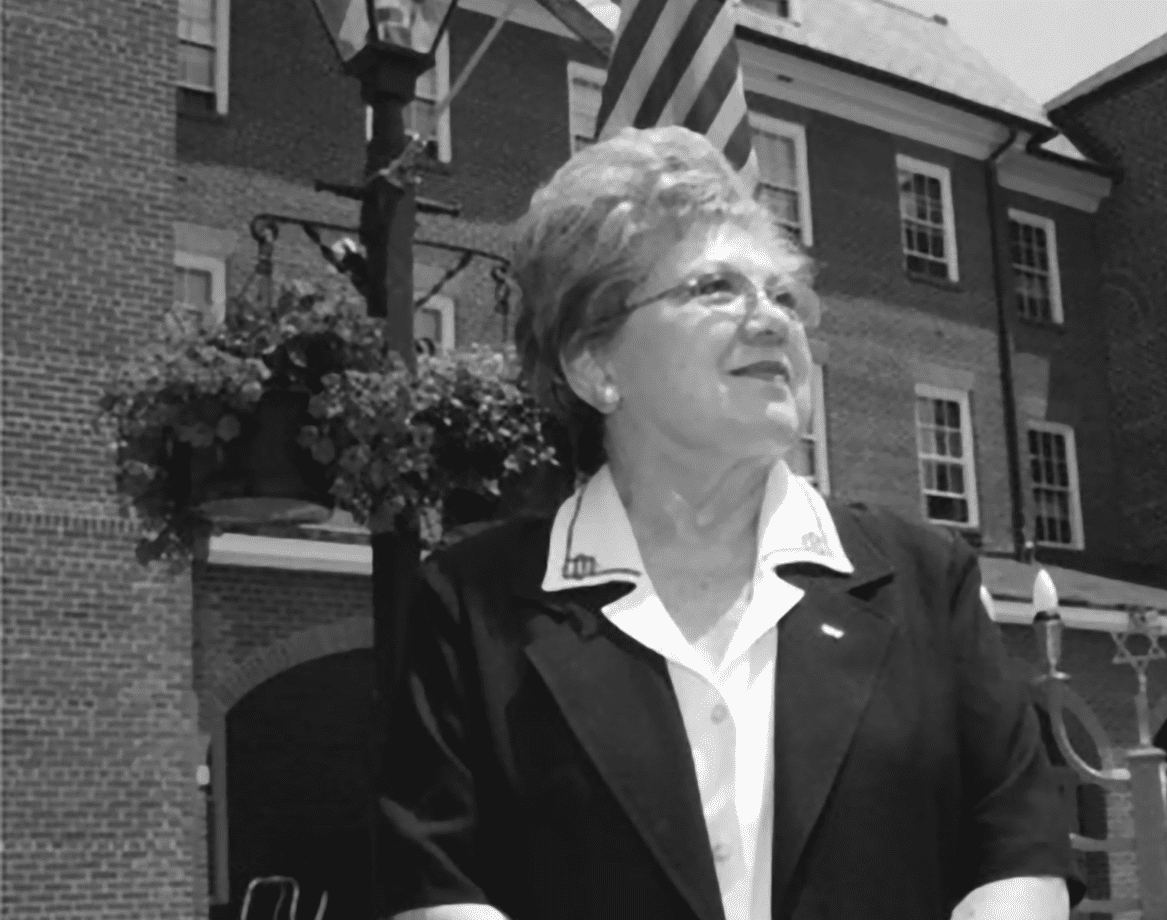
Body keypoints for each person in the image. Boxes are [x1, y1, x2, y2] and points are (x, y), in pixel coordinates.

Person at [374, 126, 1083, 920]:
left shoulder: (927, 580)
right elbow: (439, 889)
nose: (772, 321)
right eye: (715, 288)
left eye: (784, 296)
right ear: (595, 365)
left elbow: (1018, 852)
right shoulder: (469, 609)